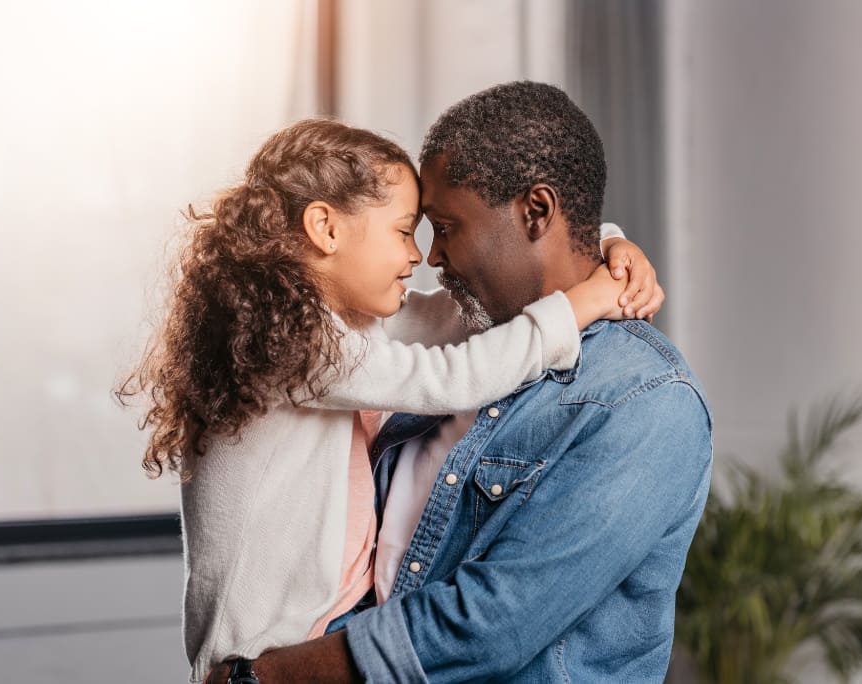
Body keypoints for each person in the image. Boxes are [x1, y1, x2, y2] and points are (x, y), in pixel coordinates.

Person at [118, 118, 663, 683]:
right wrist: (592, 296)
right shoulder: (293, 344)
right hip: (272, 656)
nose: (418, 256)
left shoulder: (340, 325)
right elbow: (456, 375)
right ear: (325, 228)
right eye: (404, 231)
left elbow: (460, 322)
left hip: (330, 627)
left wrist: (600, 244)